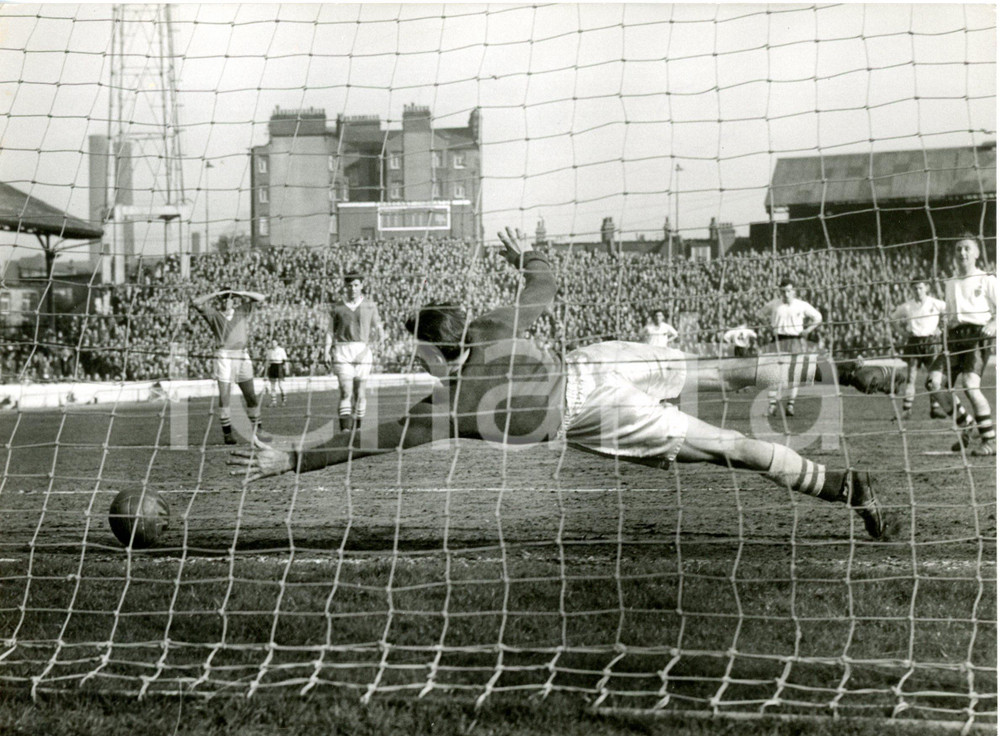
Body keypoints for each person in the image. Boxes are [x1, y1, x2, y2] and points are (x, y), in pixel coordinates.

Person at [232, 227, 894, 541]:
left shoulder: (449, 406)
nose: (414, 353)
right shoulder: (492, 324)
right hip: (597, 361)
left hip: (593, 410)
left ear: (436, 350)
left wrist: (290, 457)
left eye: (417, 345)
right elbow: (544, 284)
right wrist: (531, 256)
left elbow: (371, 441)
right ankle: (853, 372)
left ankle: (845, 486)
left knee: (729, 447)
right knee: (727, 371)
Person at [927, 234, 997, 456]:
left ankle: (990, 440)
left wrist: (994, 323)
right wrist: (943, 327)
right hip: (954, 338)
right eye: (958, 249)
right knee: (933, 383)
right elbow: (949, 314)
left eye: (967, 248)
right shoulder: (950, 283)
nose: (962, 253)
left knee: (969, 385)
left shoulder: (987, 279)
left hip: (977, 336)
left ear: (976, 253)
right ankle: (967, 425)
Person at [192, 289, 267, 445]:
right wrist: (214, 294)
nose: (227, 301)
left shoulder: (241, 311)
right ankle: (227, 434)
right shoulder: (214, 315)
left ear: (234, 300)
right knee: (225, 397)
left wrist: (240, 292)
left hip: (242, 355)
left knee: (251, 396)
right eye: (224, 298)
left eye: (230, 298)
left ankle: (258, 431)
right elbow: (195, 302)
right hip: (224, 356)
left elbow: (261, 298)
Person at [889, 279, 966, 422]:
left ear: (926, 288)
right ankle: (907, 410)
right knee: (911, 377)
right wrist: (903, 333)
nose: (918, 291)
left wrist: (941, 328)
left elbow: (950, 312)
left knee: (933, 377)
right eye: (915, 289)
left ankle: (935, 408)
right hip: (915, 342)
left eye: (920, 288)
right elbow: (892, 318)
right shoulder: (907, 306)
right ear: (911, 290)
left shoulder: (935, 303)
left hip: (931, 342)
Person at [325, 272, 384, 432]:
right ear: (345, 286)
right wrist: (325, 351)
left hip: (362, 350)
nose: (353, 288)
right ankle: (345, 431)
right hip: (342, 350)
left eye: (356, 285)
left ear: (361, 286)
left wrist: (381, 340)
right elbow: (330, 331)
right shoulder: (337, 307)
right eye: (350, 285)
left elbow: (378, 326)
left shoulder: (370, 305)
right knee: (346, 391)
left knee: (360, 394)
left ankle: (357, 429)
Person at [759, 278, 823, 417]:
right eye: (783, 291)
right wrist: (769, 327)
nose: (785, 294)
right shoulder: (774, 304)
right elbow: (759, 314)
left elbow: (818, 317)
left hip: (795, 340)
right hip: (778, 339)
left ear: (794, 291)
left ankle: (790, 405)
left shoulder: (801, 305)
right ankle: (772, 406)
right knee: (772, 373)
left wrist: (807, 330)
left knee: (794, 374)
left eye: (788, 291)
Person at [265, 339, 289, 406]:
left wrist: (287, 369)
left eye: (274, 342)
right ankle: (274, 402)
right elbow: (267, 361)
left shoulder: (281, 350)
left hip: (279, 366)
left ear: (277, 343)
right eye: (272, 343)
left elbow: (285, 360)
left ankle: (284, 400)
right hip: (272, 366)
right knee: (272, 385)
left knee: (281, 385)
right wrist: (266, 371)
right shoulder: (269, 351)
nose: (273, 344)